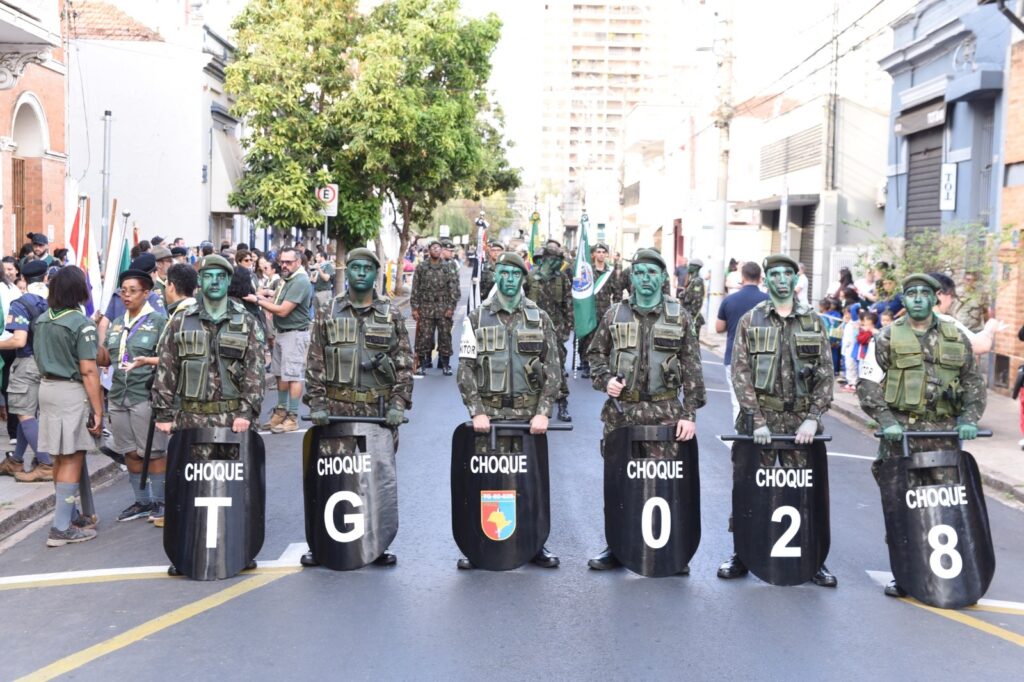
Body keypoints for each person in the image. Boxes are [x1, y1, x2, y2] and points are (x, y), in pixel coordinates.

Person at [856, 273, 985, 597]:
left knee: (947, 507)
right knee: (902, 507)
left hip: (944, 437)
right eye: (910, 293)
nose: (916, 298)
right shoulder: (886, 337)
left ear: (935, 297)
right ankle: (905, 573)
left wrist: (969, 418)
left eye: (923, 293)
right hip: (901, 436)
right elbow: (867, 384)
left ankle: (949, 574)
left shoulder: (955, 336)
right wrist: (885, 420)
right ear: (904, 298)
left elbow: (973, 383)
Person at [718, 253, 836, 587]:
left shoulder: (814, 322)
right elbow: (740, 373)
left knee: (805, 491)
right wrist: (756, 420)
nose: (782, 280)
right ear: (766, 280)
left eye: (788, 274)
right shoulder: (752, 320)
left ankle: (814, 559)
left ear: (797, 280)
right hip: (761, 419)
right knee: (749, 487)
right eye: (775, 274)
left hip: (801, 420)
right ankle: (741, 553)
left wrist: (813, 418)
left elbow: (826, 374)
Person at [586, 248, 706, 571]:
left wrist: (689, 414)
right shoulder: (614, 314)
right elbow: (595, 355)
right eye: (640, 272)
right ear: (632, 277)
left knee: (664, 482)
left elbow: (692, 367)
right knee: (619, 482)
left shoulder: (679, 315)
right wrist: (605, 380)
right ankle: (616, 546)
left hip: (665, 411)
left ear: (663, 278)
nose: (646, 279)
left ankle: (669, 549)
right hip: (622, 413)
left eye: (653, 273)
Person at [302, 248, 414, 567]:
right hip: (337, 410)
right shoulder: (328, 309)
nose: (361, 273)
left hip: (378, 414)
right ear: (347, 272)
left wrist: (398, 403)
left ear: (375, 273)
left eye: (367, 268)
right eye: (355, 267)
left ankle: (376, 544)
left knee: (375, 481)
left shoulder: (390, 313)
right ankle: (323, 543)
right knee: (334, 479)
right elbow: (315, 361)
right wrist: (318, 403)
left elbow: (405, 363)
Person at [456, 252, 561, 569]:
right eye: (504, 273)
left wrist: (543, 411)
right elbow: (465, 369)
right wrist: (476, 410)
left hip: (529, 419)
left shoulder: (539, 317)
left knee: (529, 485)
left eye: (515, 274)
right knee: (488, 483)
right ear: (496, 276)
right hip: (490, 417)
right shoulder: (477, 318)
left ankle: (535, 544)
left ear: (523, 279)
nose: (509, 279)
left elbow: (552, 369)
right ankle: (480, 543)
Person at [151, 255, 265, 461]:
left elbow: (254, 373)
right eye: (208, 276)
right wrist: (163, 414)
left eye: (221, 276)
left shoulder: (247, 322)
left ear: (229, 281)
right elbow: (167, 369)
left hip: (234, 422)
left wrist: (246, 413)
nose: (214, 282)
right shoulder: (180, 321)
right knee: (191, 490)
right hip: (191, 422)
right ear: (200, 281)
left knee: (235, 490)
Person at [34, 267, 103, 546]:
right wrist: (98, 410)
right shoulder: (80, 323)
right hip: (70, 392)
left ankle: (68, 515)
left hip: (46, 389)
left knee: (59, 457)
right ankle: (61, 527)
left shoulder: (41, 320)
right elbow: (88, 370)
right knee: (73, 456)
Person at [97, 268, 169, 525]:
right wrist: (97, 334)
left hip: (145, 394)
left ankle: (161, 502)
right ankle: (143, 501)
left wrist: (147, 361)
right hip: (118, 395)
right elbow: (106, 359)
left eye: (132, 291)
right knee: (130, 452)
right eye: (123, 291)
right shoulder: (117, 323)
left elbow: (171, 359)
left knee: (154, 452)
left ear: (146, 293)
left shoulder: (160, 322)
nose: (126, 296)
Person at [0, 261, 52, 481]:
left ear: (23, 279)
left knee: (24, 413)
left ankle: (47, 464)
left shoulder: (20, 303)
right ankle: (16, 460)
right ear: (46, 277)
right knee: (28, 411)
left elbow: (19, 340)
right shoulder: (54, 301)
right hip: (48, 362)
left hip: (27, 362)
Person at [251, 246, 313, 433]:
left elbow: (283, 310)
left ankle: (292, 417)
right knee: (280, 374)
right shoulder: (288, 280)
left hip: (294, 334)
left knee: (293, 376)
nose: (284, 265)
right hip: (282, 332)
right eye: (282, 262)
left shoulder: (300, 281)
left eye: (288, 262)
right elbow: (277, 303)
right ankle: (281, 411)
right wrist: (262, 297)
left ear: (298, 262)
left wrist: (257, 300)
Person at [715, 261, 769, 421]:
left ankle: (739, 441)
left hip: (734, 356)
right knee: (763, 403)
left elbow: (719, 327)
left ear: (742, 277)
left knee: (737, 402)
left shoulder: (729, 300)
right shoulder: (768, 301)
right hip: (764, 358)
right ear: (760, 278)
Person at [527, 245, 574, 422]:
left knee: (558, 366)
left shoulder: (562, 278)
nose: (560, 264)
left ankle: (562, 403)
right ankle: (533, 405)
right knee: (531, 366)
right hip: (532, 328)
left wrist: (569, 325)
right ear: (547, 259)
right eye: (556, 260)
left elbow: (568, 303)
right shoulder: (530, 278)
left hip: (556, 328)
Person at [411, 240, 459, 376]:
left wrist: (451, 307)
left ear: (441, 250)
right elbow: (415, 289)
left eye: (438, 248)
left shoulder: (447, 267)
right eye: (433, 248)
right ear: (429, 250)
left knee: (445, 336)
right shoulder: (421, 267)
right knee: (424, 337)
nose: (436, 250)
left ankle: (445, 364)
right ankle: (422, 364)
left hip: (443, 308)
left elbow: (454, 289)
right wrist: (415, 308)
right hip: (426, 307)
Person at [577, 241, 620, 380]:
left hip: (605, 311)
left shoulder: (610, 272)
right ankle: (584, 363)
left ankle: (598, 365)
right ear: (594, 254)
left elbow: (617, 291)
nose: (601, 254)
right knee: (586, 337)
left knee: (602, 339)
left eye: (603, 252)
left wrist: (617, 308)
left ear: (606, 254)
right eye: (598, 252)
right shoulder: (587, 270)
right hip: (589, 310)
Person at [677, 258, 706, 335]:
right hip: (687, 316)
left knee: (693, 344)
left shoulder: (697, 281)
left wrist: (690, 317)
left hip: (692, 318)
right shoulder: (692, 280)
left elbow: (697, 302)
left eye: (690, 265)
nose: (688, 267)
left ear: (695, 267)